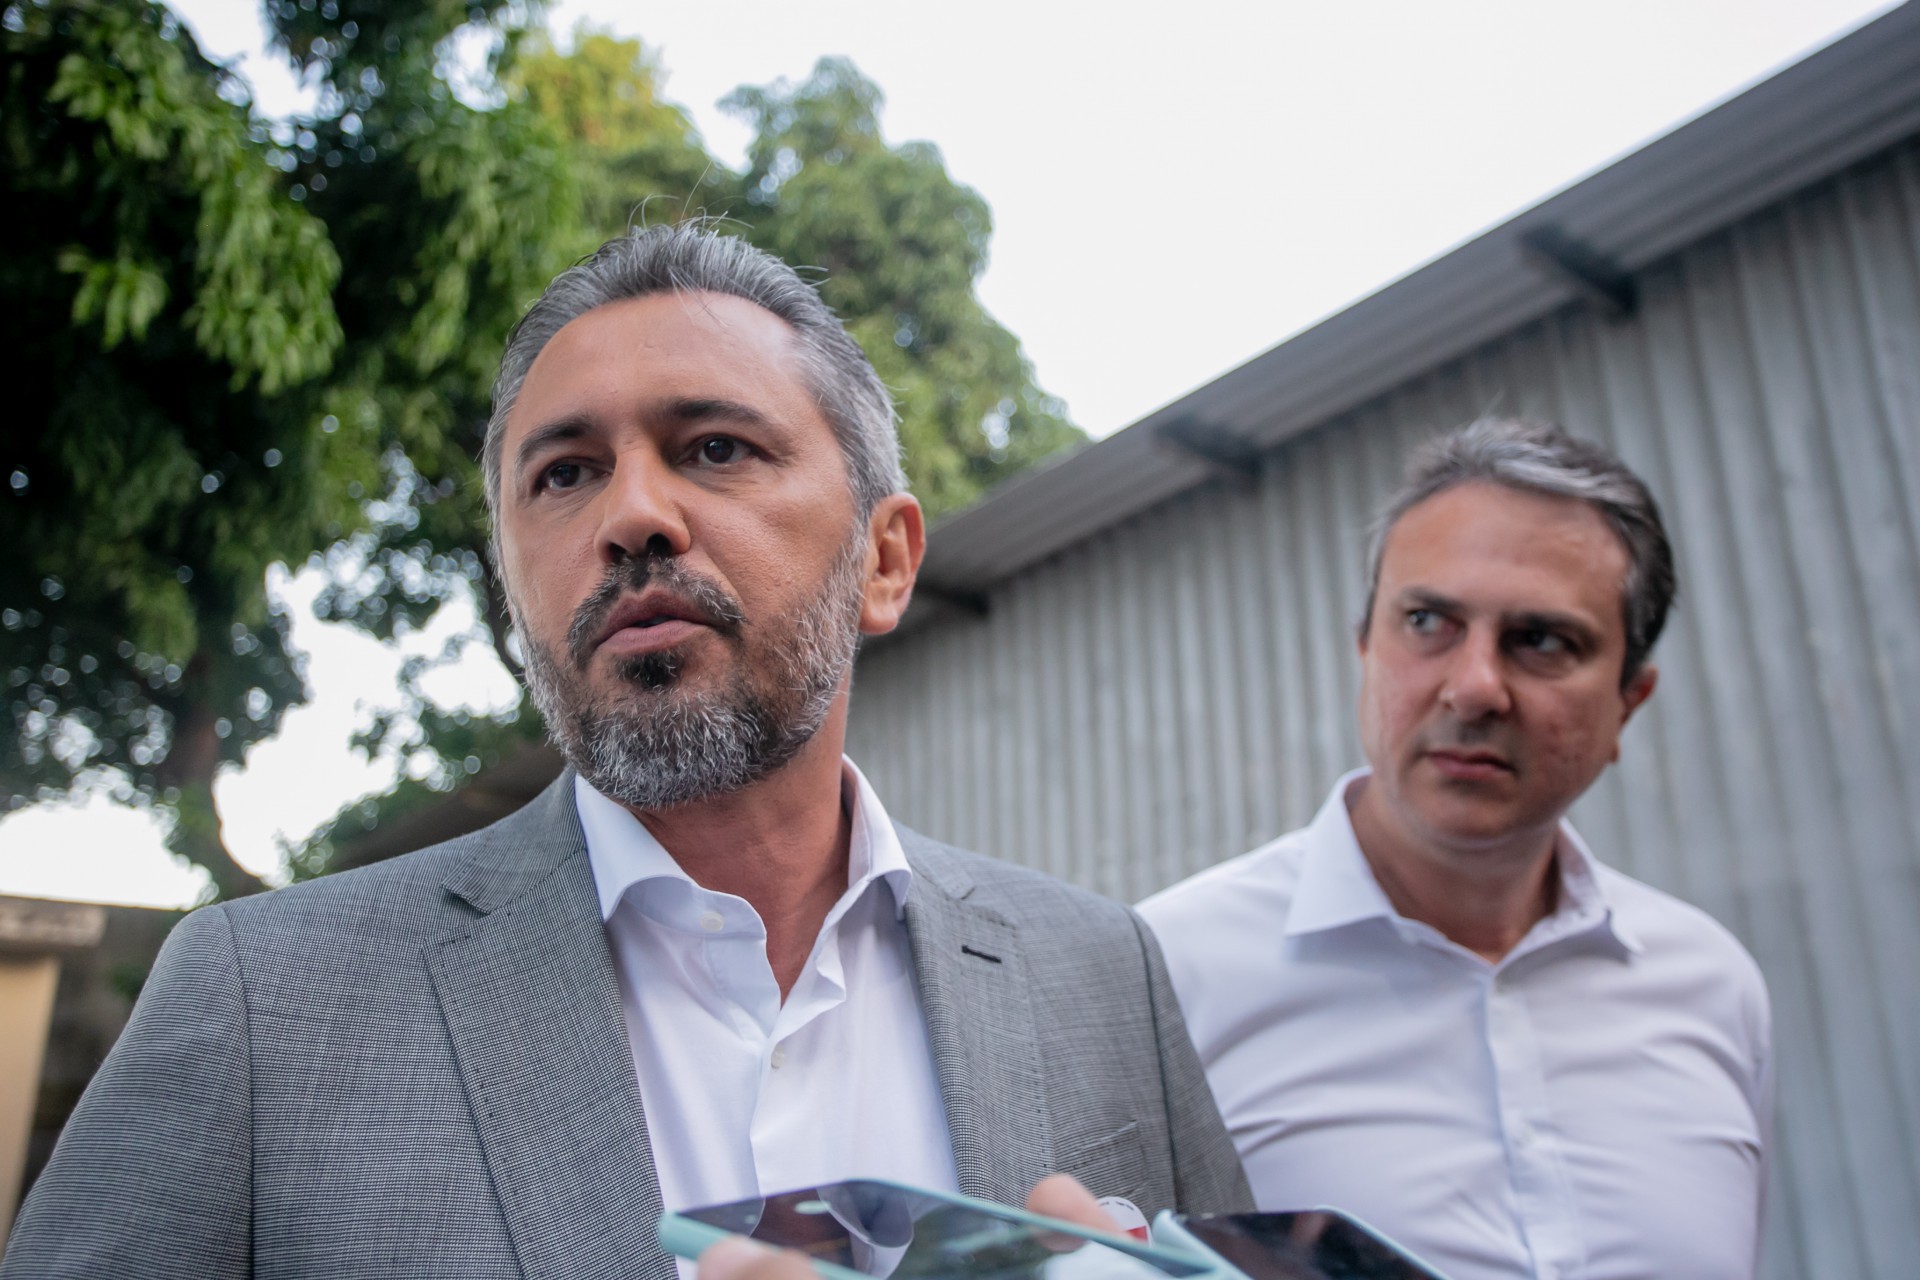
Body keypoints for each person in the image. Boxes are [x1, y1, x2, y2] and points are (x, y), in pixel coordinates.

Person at [3, 224, 1248, 1279]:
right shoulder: (261, 999)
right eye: (564, 474)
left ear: (885, 557)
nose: (632, 516)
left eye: (716, 447)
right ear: (514, 594)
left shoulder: (1102, 974)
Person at [1140, 419, 1771, 1280]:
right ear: (1366, 649)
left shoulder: (1714, 987)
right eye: (1429, 620)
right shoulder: (1160, 976)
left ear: (1631, 700)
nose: (1474, 687)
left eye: (1542, 640)